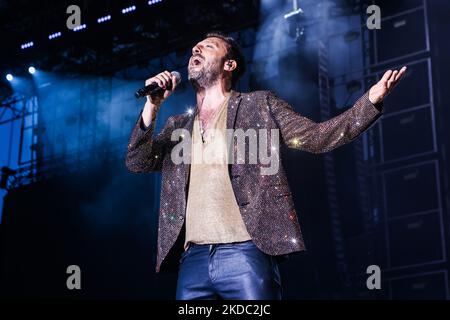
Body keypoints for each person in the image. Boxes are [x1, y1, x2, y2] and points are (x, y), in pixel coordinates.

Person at [125, 32, 406, 300]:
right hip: (193, 261)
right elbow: (137, 161)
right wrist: (153, 106)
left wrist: (369, 102)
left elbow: (316, 137)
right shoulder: (178, 126)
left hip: (244, 253)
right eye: (194, 48)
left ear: (229, 64)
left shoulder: (258, 106)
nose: (195, 50)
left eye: (208, 46)